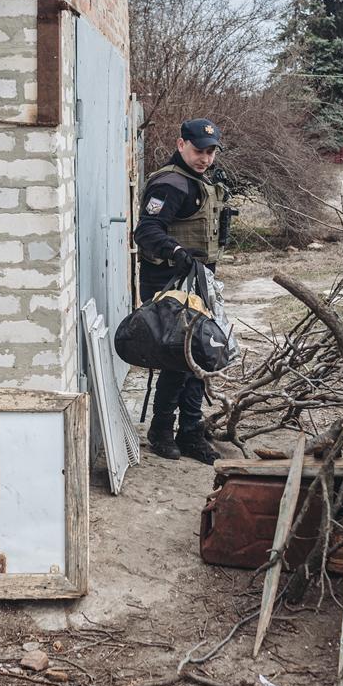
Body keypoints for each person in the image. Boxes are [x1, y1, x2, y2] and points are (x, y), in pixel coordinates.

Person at [132, 118, 228, 464]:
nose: (205, 158)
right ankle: (163, 431)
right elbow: (146, 230)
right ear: (181, 144)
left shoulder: (198, 181)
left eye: (211, 151)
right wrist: (175, 253)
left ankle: (190, 431)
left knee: (199, 356)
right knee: (179, 358)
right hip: (169, 282)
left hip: (198, 280)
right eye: (199, 150)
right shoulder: (171, 184)